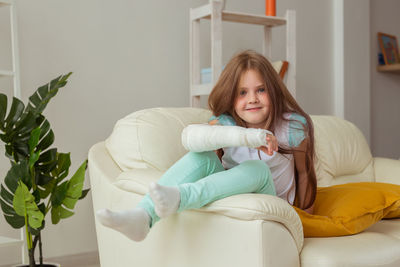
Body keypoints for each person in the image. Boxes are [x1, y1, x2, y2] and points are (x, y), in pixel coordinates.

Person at [96, 50, 317, 242]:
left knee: (257, 169)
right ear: (231, 97)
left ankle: (181, 197)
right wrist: (248, 137)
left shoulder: (292, 126)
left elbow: (304, 174)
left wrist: (306, 220)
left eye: (261, 90)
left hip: (272, 206)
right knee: (200, 157)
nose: (252, 99)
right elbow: (191, 137)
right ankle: (143, 216)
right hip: (232, 199)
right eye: (242, 92)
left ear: (274, 90)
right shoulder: (227, 123)